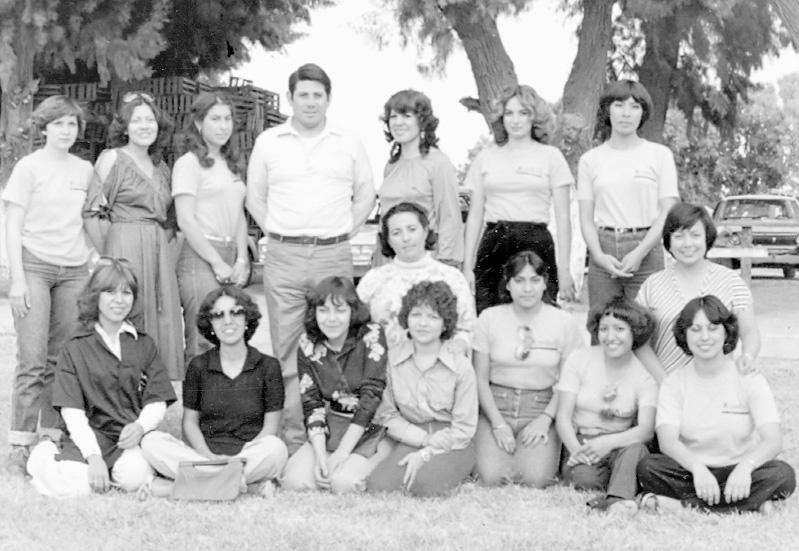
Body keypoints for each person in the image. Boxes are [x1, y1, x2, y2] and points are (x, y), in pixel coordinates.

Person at [246, 63, 376, 452]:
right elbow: (255, 196)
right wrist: (278, 231)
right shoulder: (269, 142)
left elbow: (366, 194)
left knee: (334, 341)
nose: (310, 102)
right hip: (284, 256)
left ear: (328, 99)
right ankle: (297, 439)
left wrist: (344, 231)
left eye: (318, 94)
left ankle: (335, 431)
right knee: (287, 348)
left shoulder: (348, 142)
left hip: (332, 254)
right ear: (291, 98)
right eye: (303, 94)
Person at [26, 259, 177, 497]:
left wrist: (140, 427)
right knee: (78, 488)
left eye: (126, 293)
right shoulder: (75, 347)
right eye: (110, 292)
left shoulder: (144, 344)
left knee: (135, 478)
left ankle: (112, 474)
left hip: (125, 439)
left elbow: (157, 398)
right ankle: (44, 454)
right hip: (86, 436)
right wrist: (93, 456)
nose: (119, 300)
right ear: (95, 296)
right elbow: (71, 411)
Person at [2, 96, 94, 476]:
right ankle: (20, 444)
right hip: (35, 268)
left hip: (73, 271)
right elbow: (12, 224)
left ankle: (52, 437)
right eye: (58, 124)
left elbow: (90, 219)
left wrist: (92, 257)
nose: (66, 131)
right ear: (44, 128)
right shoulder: (28, 168)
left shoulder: (85, 170)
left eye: (72, 125)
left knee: (61, 360)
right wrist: (17, 279)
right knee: (33, 359)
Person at [637, 295, 795, 514]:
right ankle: (751, 505)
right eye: (695, 329)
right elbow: (668, 442)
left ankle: (683, 507)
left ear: (726, 331)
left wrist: (745, 468)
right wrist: (698, 468)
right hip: (691, 472)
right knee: (648, 468)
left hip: (738, 469)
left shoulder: (749, 378)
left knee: (783, 475)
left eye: (713, 328)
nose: (704, 337)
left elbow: (773, 440)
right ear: (684, 335)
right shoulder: (674, 383)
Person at [140, 285, 288, 497]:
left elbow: (271, 428)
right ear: (210, 325)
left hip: (249, 456)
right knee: (151, 441)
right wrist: (206, 455)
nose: (228, 321)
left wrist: (239, 460)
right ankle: (242, 485)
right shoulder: (198, 366)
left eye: (236, 312)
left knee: (276, 449)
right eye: (218, 315)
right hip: (202, 456)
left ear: (248, 319)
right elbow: (189, 423)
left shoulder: (268, 366)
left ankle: (182, 487)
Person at [85, 91, 183, 380]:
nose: (144, 125)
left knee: (161, 320)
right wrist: (111, 256)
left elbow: (169, 217)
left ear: (158, 125)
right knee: (126, 315)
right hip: (122, 245)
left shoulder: (162, 167)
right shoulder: (111, 158)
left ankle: (151, 399)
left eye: (149, 119)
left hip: (158, 250)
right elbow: (92, 212)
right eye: (136, 120)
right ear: (124, 127)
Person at [472, 251, 583, 487]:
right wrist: (497, 423)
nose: (527, 288)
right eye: (519, 281)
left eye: (535, 280)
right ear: (508, 284)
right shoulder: (489, 318)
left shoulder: (564, 322)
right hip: (496, 403)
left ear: (544, 283)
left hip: (541, 405)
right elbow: (480, 379)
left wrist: (545, 419)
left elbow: (568, 381)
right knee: (490, 477)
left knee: (535, 479)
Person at [463, 84, 575, 313]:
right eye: (509, 113)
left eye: (523, 113)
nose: (515, 120)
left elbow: (563, 218)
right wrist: (467, 266)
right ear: (501, 117)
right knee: (489, 317)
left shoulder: (551, 157)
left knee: (538, 321)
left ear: (535, 118)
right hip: (494, 241)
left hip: (536, 241)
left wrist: (564, 270)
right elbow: (474, 216)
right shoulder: (486, 157)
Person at [367, 281, 477, 497]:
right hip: (412, 433)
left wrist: (427, 454)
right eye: (416, 315)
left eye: (433, 317)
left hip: (451, 439)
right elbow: (387, 415)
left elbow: (464, 428)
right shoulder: (393, 360)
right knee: (379, 485)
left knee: (425, 487)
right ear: (406, 318)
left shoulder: (460, 366)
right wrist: (423, 440)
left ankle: (459, 473)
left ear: (445, 324)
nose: (423, 324)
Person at [577, 79, 679, 311]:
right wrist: (599, 256)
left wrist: (639, 252)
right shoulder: (590, 160)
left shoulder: (659, 155)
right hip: (603, 250)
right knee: (603, 326)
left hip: (647, 247)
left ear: (643, 113)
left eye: (635, 106)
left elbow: (667, 212)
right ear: (607, 109)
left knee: (647, 325)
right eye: (619, 105)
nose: (626, 113)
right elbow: (585, 218)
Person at [282, 277, 389, 493]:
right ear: (315, 313)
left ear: (353, 311)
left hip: (372, 426)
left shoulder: (372, 335)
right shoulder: (307, 344)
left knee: (343, 483)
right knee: (295, 482)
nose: (331, 319)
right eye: (324, 310)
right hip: (334, 426)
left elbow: (371, 397)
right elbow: (311, 403)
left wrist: (341, 453)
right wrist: (321, 457)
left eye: (340, 311)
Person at [635, 203, 760, 383]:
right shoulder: (652, 286)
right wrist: (666, 384)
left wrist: (747, 358)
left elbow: (750, 333)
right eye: (678, 236)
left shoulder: (731, 282)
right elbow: (640, 343)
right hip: (664, 386)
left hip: (717, 386)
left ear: (707, 238)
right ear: (668, 241)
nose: (687, 244)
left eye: (695, 235)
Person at [556, 297, 657, 514]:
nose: (610, 337)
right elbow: (563, 417)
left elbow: (646, 430)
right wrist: (576, 450)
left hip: (621, 443)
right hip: (583, 443)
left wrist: (608, 443)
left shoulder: (644, 376)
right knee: (585, 479)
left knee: (637, 450)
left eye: (619, 329)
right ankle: (626, 487)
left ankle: (616, 500)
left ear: (634, 331)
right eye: (604, 329)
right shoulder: (579, 359)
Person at [172, 92, 249, 367]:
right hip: (200, 257)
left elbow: (239, 213)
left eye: (228, 118)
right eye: (215, 119)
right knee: (203, 338)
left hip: (230, 255)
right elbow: (185, 220)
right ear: (198, 123)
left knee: (230, 336)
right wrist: (216, 262)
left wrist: (242, 258)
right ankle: (197, 409)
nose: (223, 125)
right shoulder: (188, 164)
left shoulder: (232, 165)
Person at [356, 201, 475, 352]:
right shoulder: (373, 279)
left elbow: (467, 329)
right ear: (388, 240)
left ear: (425, 231)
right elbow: (356, 328)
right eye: (396, 233)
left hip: (437, 366)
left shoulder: (451, 277)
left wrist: (457, 347)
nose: (405, 238)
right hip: (383, 367)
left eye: (412, 229)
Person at [378, 89, 463, 267]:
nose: (398, 122)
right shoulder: (391, 166)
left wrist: (445, 264)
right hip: (390, 261)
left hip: (427, 261)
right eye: (393, 117)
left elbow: (449, 217)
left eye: (406, 116)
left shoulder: (438, 162)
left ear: (422, 121)